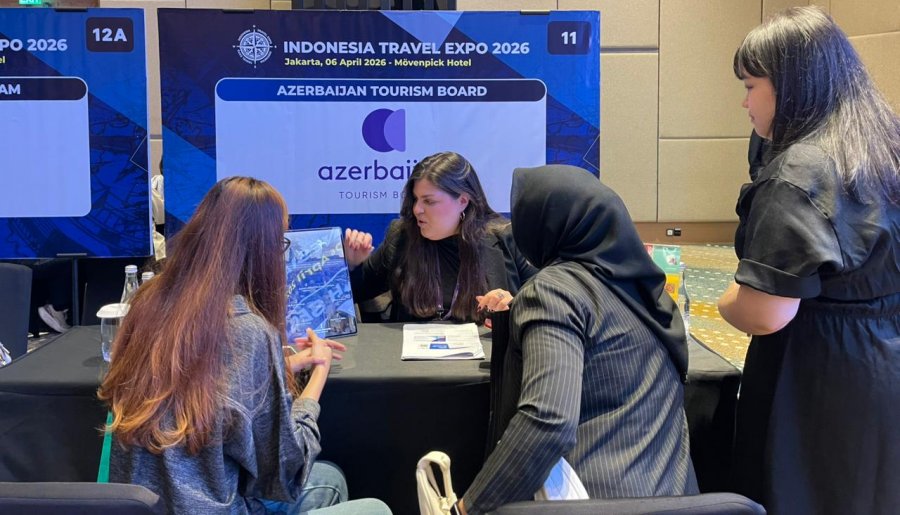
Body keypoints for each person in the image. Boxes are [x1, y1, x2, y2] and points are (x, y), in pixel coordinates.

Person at [98, 176, 391, 515]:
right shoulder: (249, 331)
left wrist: (281, 367)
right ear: (261, 248)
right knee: (370, 506)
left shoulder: (148, 302)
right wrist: (317, 377)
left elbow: (201, 389)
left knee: (328, 478)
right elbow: (287, 472)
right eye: (281, 242)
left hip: (145, 506)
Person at [718, 6, 900, 515]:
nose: (744, 101)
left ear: (791, 86)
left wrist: (727, 300)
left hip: (816, 383)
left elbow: (764, 312)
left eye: (751, 86)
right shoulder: (884, 144)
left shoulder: (801, 170)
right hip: (884, 365)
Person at [458, 165, 696, 515]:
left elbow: (547, 422)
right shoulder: (647, 291)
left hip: (590, 501)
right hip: (675, 499)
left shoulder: (552, 291)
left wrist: (468, 507)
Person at [343, 152, 534, 323]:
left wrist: (512, 303)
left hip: (485, 350)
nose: (417, 209)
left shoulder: (506, 237)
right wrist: (353, 265)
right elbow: (356, 294)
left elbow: (541, 300)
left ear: (462, 201)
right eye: (415, 199)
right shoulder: (402, 236)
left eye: (429, 201)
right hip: (408, 350)